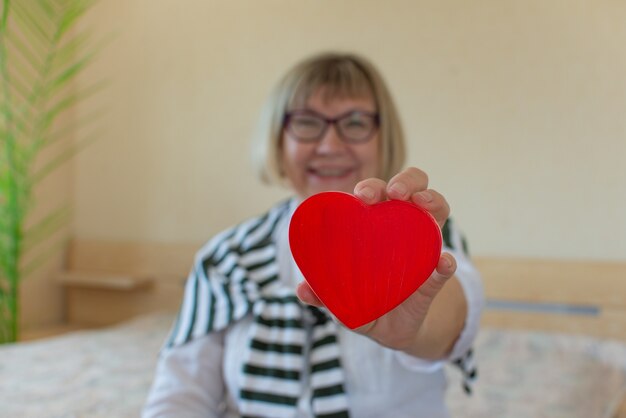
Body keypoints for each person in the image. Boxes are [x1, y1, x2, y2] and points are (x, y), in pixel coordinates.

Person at [143, 52, 484, 418]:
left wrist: (414, 331)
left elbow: (454, 314)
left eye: (355, 123)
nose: (330, 145)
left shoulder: (426, 234)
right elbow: (181, 394)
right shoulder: (228, 257)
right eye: (306, 123)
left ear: (385, 139)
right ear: (277, 139)